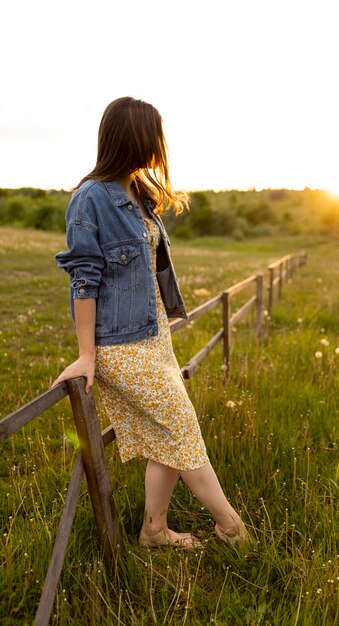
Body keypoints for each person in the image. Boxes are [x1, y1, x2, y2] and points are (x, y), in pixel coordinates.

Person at [52, 96, 247, 549]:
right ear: (133, 137)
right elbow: (84, 281)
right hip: (121, 346)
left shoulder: (137, 191)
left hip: (154, 335)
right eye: (153, 136)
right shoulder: (90, 200)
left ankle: (153, 531)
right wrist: (87, 355)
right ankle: (232, 528)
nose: (159, 145)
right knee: (183, 428)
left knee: (169, 434)